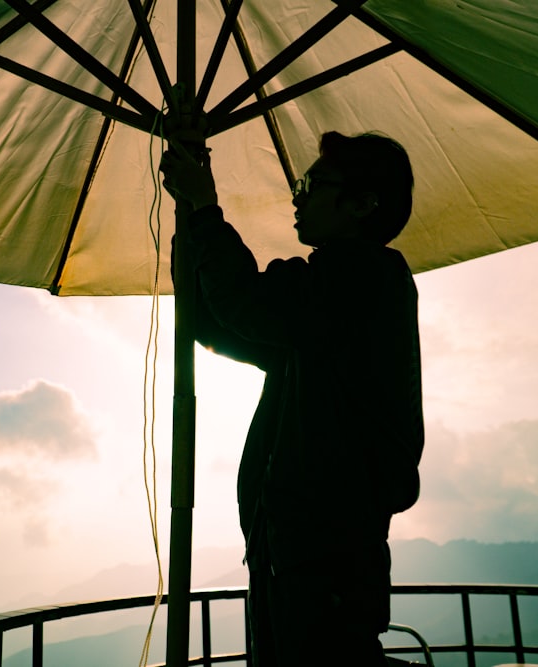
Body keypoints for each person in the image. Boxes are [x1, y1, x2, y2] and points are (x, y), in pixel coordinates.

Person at [161, 130, 424, 666]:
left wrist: (207, 207)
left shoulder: (362, 276)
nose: (297, 196)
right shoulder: (322, 312)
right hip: (294, 552)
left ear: (362, 203)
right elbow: (217, 322)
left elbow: (246, 306)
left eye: (312, 183)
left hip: (322, 556)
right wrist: (191, 214)